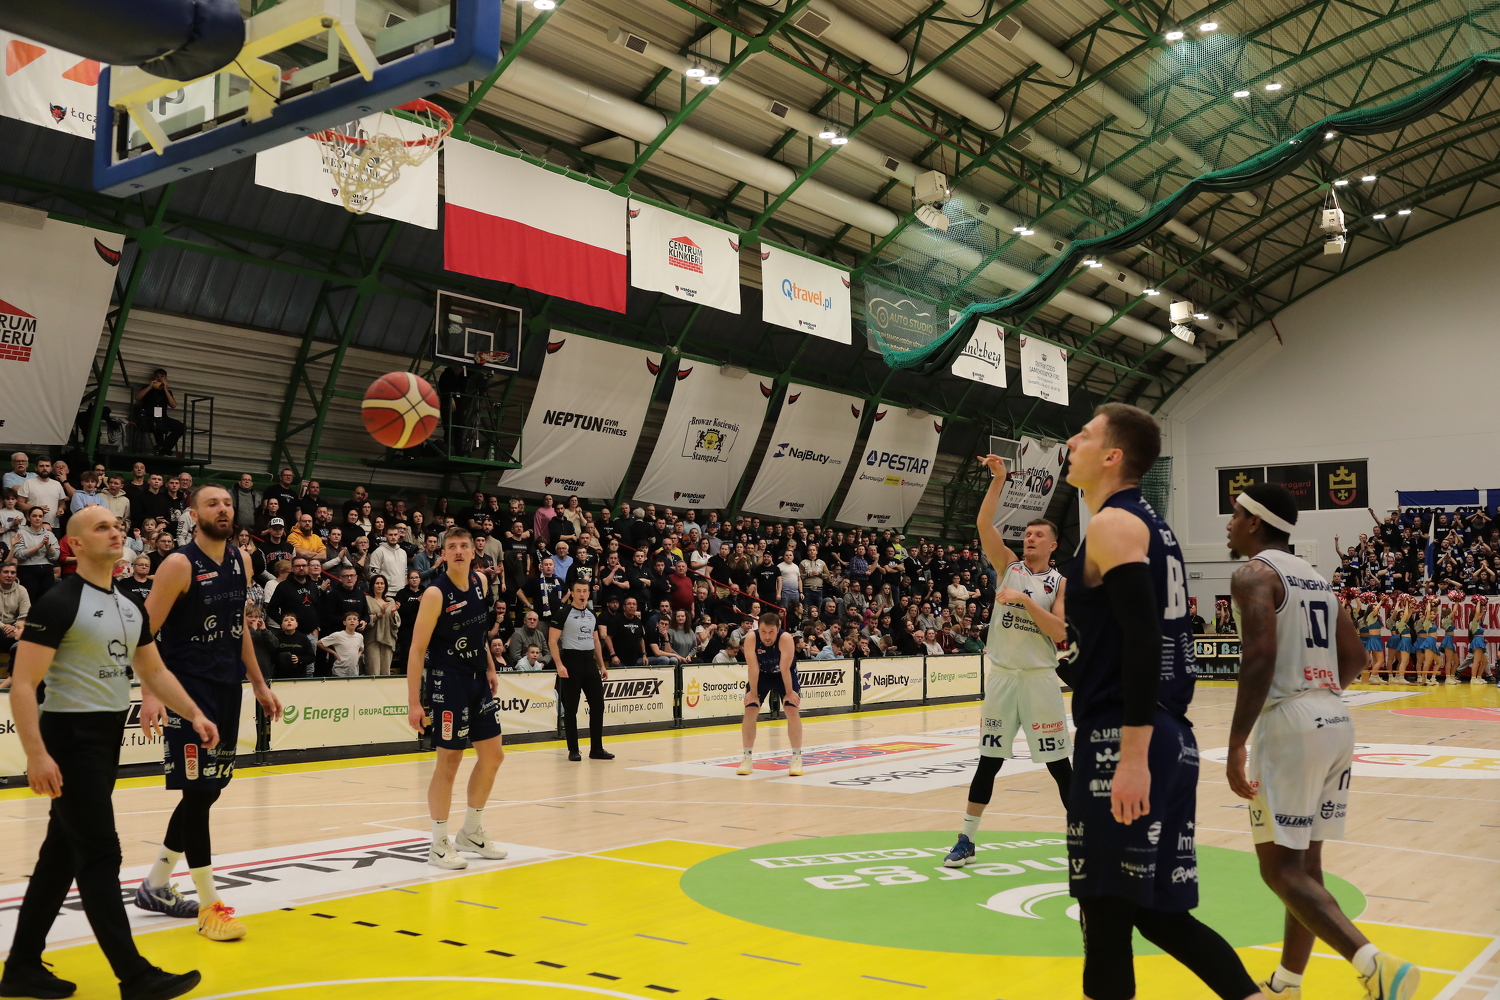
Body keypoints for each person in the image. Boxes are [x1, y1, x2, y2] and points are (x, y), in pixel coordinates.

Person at [1059, 403, 1263, 1000]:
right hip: (1165, 734)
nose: (1072, 441)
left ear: (1112, 455)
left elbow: (1144, 640)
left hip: (1124, 736)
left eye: (1085, 435)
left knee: (1104, 915)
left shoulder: (1113, 524)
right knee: (1157, 914)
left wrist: (1130, 756)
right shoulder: (1153, 526)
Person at [2, 505, 209, 1000]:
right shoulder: (58, 602)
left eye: (117, 526)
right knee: (100, 853)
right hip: (70, 739)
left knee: (61, 855)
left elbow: (153, 672)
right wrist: (36, 755)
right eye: (101, 527)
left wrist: (194, 714)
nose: (115, 532)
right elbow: (23, 686)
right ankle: (135, 976)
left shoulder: (130, 605)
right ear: (74, 545)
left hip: (105, 738)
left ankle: (22, 967)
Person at [1226, 484, 1419, 1000]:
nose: (1229, 523)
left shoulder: (1253, 574)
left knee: (1279, 870)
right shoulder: (1314, 576)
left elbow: (1260, 657)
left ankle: (1373, 964)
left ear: (1255, 522)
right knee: (1306, 868)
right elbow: (1355, 656)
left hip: (1291, 723)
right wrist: (1320, 692)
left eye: (1236, 514)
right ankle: (1287, 983)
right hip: (1335, 717)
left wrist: (1236, 742)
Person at [135, 485, 281, 942]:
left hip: (226, 688)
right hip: (186, 693)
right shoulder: (178, 565)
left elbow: (239, 629)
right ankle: (208, 906)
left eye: (227, 503)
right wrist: (151, 693)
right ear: (193, 514)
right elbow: (143, 632)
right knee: (198, 793)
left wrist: (259, 683)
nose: (223, 509)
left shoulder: (243, 560)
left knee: (209, 791)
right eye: (212, 503)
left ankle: (156, 884)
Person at [944, 486, 1073, 867]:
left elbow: (1059, 631)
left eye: (1038, 535)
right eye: (1027, 534)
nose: (1030, 538)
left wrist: (1025, 601)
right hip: (1002, 678)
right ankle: (967, 840)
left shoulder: (1059, 583)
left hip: (1039, 679)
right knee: (989, 761)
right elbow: (984, 523)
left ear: (1052, 545)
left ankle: (1087, 840)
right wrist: (997, 480)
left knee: (1059, 766)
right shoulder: (1009, 567)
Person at [405, 527, 508, 869]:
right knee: (449, 761)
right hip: (448, 683)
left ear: (473, 551)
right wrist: (414, 702)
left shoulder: (480, 581)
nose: (460, 551)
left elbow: (478, 633)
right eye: (453, 547)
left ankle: (471, 831)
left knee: (493, 756)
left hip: (478, 680)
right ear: (444, 554)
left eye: (465, 545)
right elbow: (416, 649)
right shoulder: (435, 593)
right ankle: (438, 843)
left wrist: (490, 666)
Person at [548, 579, 614, 762]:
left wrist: (602, 665)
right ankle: (573, 750)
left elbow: (595, 641)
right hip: (571, 662)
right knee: (571, 708)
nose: (582, 594)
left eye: (585, 591)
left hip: (589, 663)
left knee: (598, 705)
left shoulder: (592, 614)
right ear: (572, 593)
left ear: (588, 593)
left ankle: (597, 749)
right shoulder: (563, 613)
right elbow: (552, 640)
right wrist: (559, 665)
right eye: (578, 591)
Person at [737, 609, 802, 777]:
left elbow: (785, 668)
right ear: (758, 629)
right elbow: (752, 667)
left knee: (791, 708)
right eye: (763, 631)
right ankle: (747, 757)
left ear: (778, 629)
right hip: (762, 674)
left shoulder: (785, 638)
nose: (767, 636)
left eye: (771, 632)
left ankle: (796, 758)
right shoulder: (751, 638)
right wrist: (753, 693)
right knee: (750, 709)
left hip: (784, 674)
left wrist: (789, 693)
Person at [134, 367, 185, 455]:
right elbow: (137, 397)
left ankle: (164, 447)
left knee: (181, 427)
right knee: (157, 423)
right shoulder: (147, 389)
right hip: (150, 417)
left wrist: (165, 389)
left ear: (166, 378)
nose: (159, 378)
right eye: (157, 376)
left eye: (162, 376)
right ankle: (162, 447)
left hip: (163, 417)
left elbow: (173, 405)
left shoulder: (167, 392)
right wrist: (150, 386)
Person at [365, 573, 399, 675]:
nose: (380, 586)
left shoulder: (390, 601)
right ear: (372, 586)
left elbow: (397, 622)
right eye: (377, 583)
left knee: (385, 672)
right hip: (372, 639)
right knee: (373, 671)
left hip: (388, 639)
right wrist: (380, 613)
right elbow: (366, 619)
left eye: (382, 583)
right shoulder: (367, 600)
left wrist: (392, 612)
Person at [319, 611, 365, 677]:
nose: (352, 621)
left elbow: (362, 649)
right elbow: (320, 643)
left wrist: (358, 656)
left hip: (354, 671)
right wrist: (333, 652)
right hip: (340, 671)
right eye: (349, 619)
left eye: (354, 619)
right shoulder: (338, 635)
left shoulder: (359, 636)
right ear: (344, 622)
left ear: (358, 623)